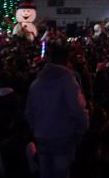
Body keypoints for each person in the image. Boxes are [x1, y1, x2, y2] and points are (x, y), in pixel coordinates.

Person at [24, 44, 89, 178]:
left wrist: (37, 128)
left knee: (46, 173)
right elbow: (77, 108)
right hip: (63, 137)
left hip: (42, 136)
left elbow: (29, 112)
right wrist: (82, 129)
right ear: (66, 60)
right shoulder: (67, 81)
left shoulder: (36, 83)